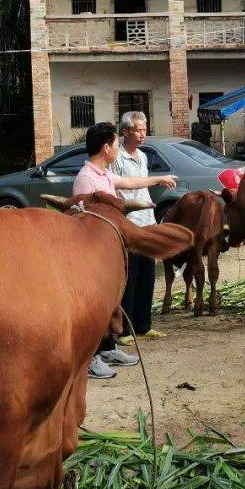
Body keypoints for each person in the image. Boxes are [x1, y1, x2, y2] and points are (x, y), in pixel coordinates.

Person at [73, 122, 177, 380]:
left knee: (111, 304)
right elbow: (86, 218)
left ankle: (108, 348)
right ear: (106, 147)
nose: (118, 148)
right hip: (94, 253)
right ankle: (91, 358)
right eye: (116, 143)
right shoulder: (86, 178)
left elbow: (129, 182)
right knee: (95, 307)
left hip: (110, 250)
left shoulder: (104, 174)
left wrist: (159, 179)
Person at [112, 111, 174, 344]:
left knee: (147, 276)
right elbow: (118, 189)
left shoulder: (142, 156)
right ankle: (124, 330)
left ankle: (144, 325)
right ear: (125, 131)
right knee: (130, 277)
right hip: (128, 223)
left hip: (147, 220)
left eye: (144, 130)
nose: (142, 134)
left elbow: (142, 188)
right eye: (137, 130)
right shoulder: (116, 156)